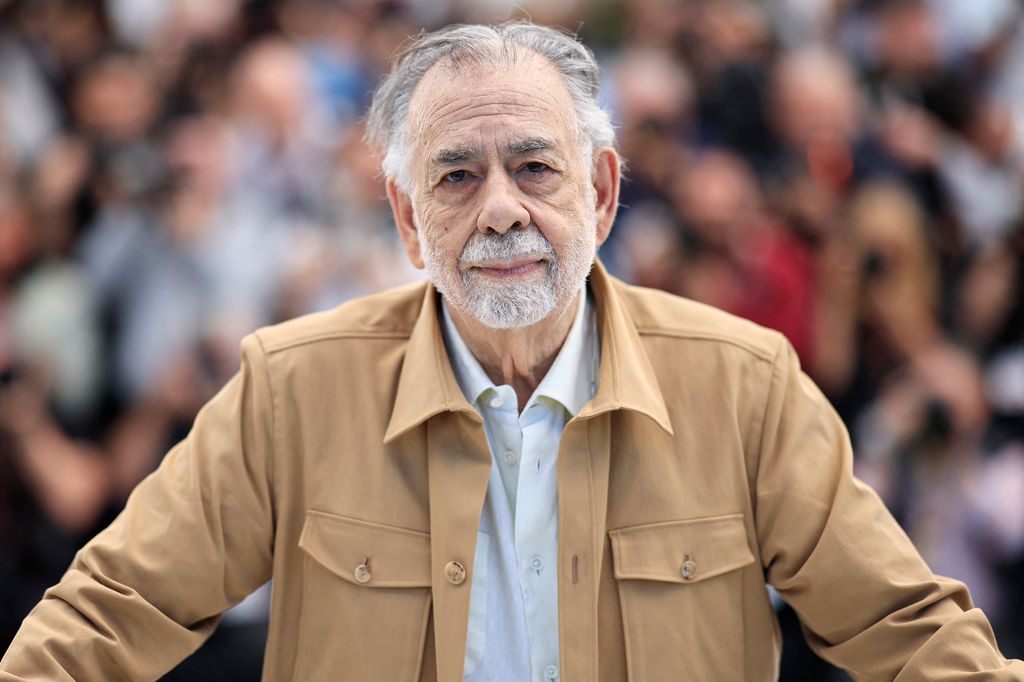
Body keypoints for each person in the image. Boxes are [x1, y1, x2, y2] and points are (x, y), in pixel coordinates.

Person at [2, 21, 1022, 682]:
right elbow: (102, 622)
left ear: (604, 192)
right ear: (406, 219)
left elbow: (913, 640)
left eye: (535, 167)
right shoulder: (292, 391)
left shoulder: (742, 386)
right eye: (454, 177)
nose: (500, 210)